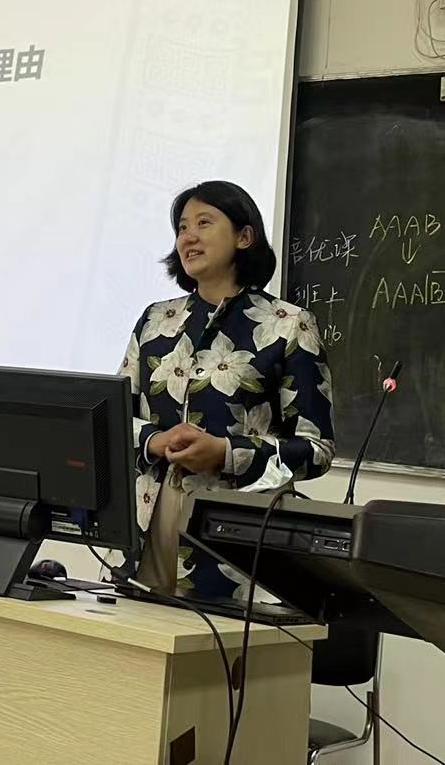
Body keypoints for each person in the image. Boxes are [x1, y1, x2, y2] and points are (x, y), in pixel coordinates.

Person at [119, 180, 335, 597]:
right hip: (144, 531)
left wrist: (225, 453)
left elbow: (316, 450)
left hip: (238, 546)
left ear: (244, 236)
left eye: (204, 223)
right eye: (182, 227)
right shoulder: (155, 321)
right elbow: (111, 422)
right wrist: (154, 440)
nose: (189, 237)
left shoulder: (289, 325)